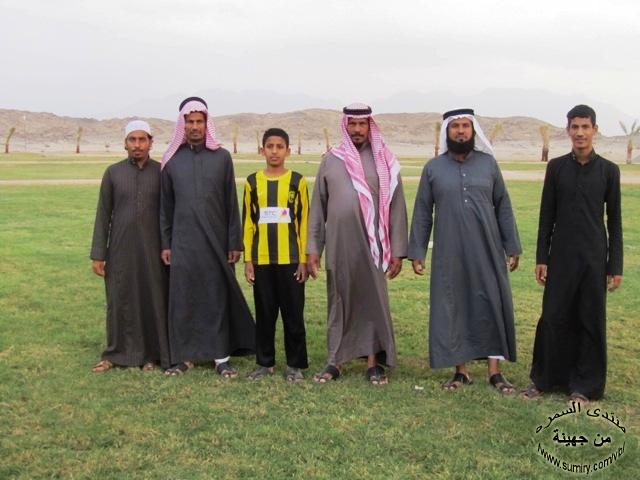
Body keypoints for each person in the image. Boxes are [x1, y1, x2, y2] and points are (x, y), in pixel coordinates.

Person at [408, 108, 521, 394]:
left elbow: (503, 206)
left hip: (488, 248)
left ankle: (495, 372)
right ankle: (461, 371)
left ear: (473, 131)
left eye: (465, 126)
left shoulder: (488, 165)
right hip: (449, 251)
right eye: (455, 126)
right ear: (447, 132)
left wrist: (512, 245)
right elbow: (422, 212)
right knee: (453, 304)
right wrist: (417, 250)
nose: (460, 131)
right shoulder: (433, 168)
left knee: (491, 302)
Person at [523, 105, 623, 403]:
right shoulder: (556, 168)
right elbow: (546, 216)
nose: (580, 133)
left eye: (585, 127)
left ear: (595, 130)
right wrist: (542, 258)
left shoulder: (609, 171)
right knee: (553, 316)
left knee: (589, 319)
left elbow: (615, 222)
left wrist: (615, 266)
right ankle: (544, 379)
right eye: (575, 127)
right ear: (568, 130)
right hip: (561, 256)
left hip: (594, 257)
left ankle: (585, 386)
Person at [307, 103, 407, 385]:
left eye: (362, 124)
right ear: (345, 126)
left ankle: (374, 363)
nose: (357, 129)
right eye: (352, 124)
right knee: (339, 299)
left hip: (374, 246)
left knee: (372, 301)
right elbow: (318, 207)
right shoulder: (331, 160)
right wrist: (313, 248)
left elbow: (397, 207)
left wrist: (398, 251)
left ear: (370, 126)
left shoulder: (384, 160)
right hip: (340, 244)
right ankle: (335, 360)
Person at [160, 97, 255, 376]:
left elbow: (230, 202)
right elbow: (165, 208)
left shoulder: (222, 158)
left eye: (199, 121)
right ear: (183, 125)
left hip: (216, 242)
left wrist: (234, 242)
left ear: (206, 124)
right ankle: (184, 356)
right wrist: (166, 244)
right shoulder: (172, 161)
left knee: (216, 296)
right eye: (190, 122)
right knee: (184, 297)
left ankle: (221, 357)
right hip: (183, 243)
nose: (195, 126)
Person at [90, 120, 170, 372]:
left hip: (153, 250)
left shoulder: (161, 172)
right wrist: (98, 254)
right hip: (120, 249)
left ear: (150, 142)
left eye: (142, 139)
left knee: (151, 298)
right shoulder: (113, 173)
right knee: (119, 299)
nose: (137, 145)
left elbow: (169, 214)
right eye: (132, 140)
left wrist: (168, 246)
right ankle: (115, 354)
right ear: (125, 143)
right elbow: (103, 214)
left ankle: (151, 355)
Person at [242, 128, 310, 382]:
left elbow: (304, 222)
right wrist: (249, 260)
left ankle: (295, 365)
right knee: (265, 314)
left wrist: (303, 259)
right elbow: (248, 223)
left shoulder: (297, 181)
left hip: (290, 260)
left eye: (279, 147)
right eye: (269, 146)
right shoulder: (252, 182)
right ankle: (265, 363)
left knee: (293, 315)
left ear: (287, 151)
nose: (274, 151)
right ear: (262, 150)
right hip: (262, 260)